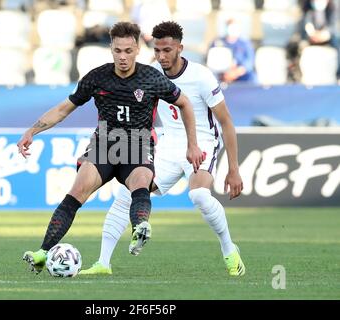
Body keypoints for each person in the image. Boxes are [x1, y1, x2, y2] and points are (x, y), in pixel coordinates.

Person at [17, 22, 204, 274]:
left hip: (138, 144)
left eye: (128, 50)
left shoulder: (151, 78)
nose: (123, 57)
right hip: (105, 144)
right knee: (78, 190)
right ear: (111, 49)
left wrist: (193, 145)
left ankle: (140, 227)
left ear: (137, 49)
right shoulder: (97, 77)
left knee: (141, 181)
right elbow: (64, 108)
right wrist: (32, 130)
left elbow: (185, 104)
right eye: (118, 51)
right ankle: (42, 253)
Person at [80, 21, 245, 277]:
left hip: (202, 143)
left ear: (180, 47)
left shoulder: (201, 77)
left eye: (167, 50)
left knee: (199, 196)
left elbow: (226, 122)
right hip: (169, 145)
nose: (161, 56)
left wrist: (234, 169)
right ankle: (103, 263)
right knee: (127, 194)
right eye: (157, 50)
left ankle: (228, 249)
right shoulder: (151, 73)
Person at [209, 18, 257, 84]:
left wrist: (236, 73)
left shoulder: (245, 43)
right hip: (222, 75)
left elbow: (249, 62)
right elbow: (211, 60)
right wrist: (225, 73)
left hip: (241, 75)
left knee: (252, 77)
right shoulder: (217, 42)